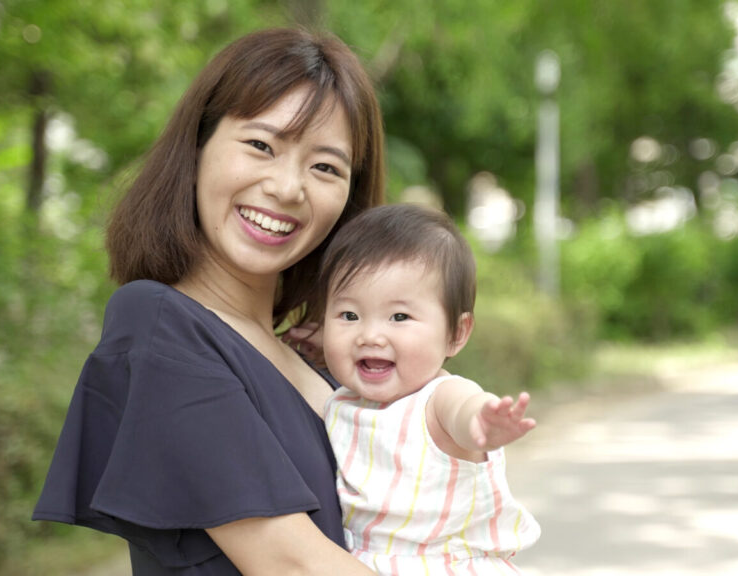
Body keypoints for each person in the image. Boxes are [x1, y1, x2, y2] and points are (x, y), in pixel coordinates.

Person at [33, 27, 386, 575]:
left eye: (325, 167)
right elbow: (295, 565)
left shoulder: (318, 363)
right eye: (261, 146)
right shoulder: (157, 324)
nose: (288, 188)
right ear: (197, 146)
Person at [317, 203, 541, 575]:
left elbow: (463, 407)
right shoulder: (343, 400)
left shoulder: (435, 400)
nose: (370, 335)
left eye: (399, 317)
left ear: (456, 333)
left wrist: (480, 424)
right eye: (349, 315)